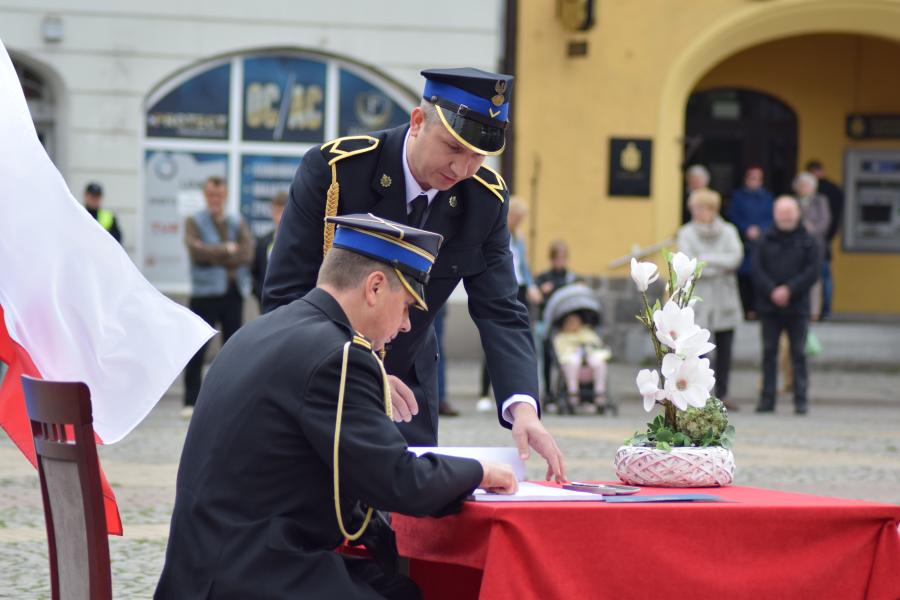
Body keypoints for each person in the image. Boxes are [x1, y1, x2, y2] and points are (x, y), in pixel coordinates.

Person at [155, 214, 517, 599]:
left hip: (210, 568)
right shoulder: (339, 356)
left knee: (398, 587)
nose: (407, 325)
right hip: (253, 574)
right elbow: (397, 481)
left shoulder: (263, 330)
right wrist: (480, 471)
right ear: (375, 287)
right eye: (407, 306)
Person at [262, 67, 565, 480]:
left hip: (409, 384)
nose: (462, 168)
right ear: (418, 121)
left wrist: (523, 408)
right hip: (323, 372)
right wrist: (359, 371)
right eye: (453, 147)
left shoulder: (483, 199)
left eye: (478, 155)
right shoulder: (337, 171)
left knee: (410, 505)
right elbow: (285, 294)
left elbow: (501, 309)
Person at [181, 175, 253, 417]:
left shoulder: (236, 221)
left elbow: (246, 253)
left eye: (219, 195)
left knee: (233, 349)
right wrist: (226, 250)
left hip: (233, 293)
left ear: (225, 196)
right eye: (211, 195)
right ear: (205, 195)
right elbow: (196, 253)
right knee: (197, 347)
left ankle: (232, 400)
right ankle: (190, 401)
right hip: (205, 294)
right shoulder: (194, 221)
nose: (215, 199)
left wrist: (214, 252)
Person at [752, 196, 821, 415]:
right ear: (775, 214)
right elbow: (756, 269)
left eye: (789, 212)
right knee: (769, 353)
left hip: (797, 306)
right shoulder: (764, 239)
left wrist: (789, 289)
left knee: (798, 354)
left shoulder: (808, 240)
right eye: (782, 212)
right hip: (769, 306)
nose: (786, 217)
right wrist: (772, 290)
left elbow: (813, 271)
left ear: (798, 213)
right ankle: (767, 400)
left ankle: (801, 401)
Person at [677, 189, 744, 411]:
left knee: (725, 349)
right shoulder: (686, 233)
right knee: (699, 350)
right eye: (693, 209)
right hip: (699, 299)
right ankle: (700, 395)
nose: (695, 212)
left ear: (711, 209)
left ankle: (723, 393)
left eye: (699, 208)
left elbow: (735, 258)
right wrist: (718, 265)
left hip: (725, 298)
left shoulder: (729, 231)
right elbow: (689, 264)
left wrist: (705, 260)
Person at [477, 197, 541, 412]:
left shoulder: (519, 238)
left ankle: (518, 394)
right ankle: (485, 392)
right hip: (500, 289)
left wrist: (531, 286)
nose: (519, 221)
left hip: (518, 289)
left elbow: (524, 266)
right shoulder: (495, 232)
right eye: (517, 217)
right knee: (494, 340)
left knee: (518, 339)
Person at [534, 240, 580, 400]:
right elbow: (536, 298)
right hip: (547, 324)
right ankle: (548, 392)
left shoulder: (571, 278)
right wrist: (541, 291)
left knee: (568, 358)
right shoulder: (543, 278)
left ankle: (566, 391)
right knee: (546, 358)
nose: (560, 261)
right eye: (557, 258)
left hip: (564, 325)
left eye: (563, 258)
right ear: (552, 259)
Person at [727, 165, 773, 320]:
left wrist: (760, 229)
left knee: (760, 276)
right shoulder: (738, 197)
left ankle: (758, 309)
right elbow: (733, 216)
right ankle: (746, 309)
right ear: (746, 179)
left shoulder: (767, 197)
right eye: (752, 178)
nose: (754, 181)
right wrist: (746, 229)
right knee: (744, 278)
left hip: (762, 243)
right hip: (743, 242)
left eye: (757, 178)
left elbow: (771, 218)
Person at [806, 160, 844, 320]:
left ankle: (824, 310)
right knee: (824, 276)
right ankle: (824, 311)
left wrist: (825, 236)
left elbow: (828, 220)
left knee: (823, 276)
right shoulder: (834, 189)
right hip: (824, 240)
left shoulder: (822, 194)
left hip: (821, 241)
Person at [552, 311, 610, 414]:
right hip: (571, 368)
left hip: (590, 368)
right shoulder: (561, 337)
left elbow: (598, 347)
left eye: (575, 321)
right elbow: (561, 355)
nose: (573, 324)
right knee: (573, 362)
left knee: (600, 363)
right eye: (570, 322)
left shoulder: (587, 333)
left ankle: (600, 397)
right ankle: (573, 398)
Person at [792, 171, 831, 321]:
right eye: (801, 185)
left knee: (816, 279)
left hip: (816, 246)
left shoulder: (821, 201)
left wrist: (812, 230)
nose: (804, 188)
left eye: (807, 185)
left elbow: (825, 222)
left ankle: (814, 313)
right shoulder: (793, 202)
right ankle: (798, 311)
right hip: (796, 246)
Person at [251, 190, 287, 308]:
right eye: (277, 212)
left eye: (283, 212)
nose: (279, 217)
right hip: (266, 303)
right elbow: (255, 272)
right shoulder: (263, 242)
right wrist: (261, 294)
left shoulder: (298, 242)